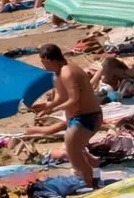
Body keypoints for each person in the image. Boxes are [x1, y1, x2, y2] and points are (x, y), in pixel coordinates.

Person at [35, 44, 104, 188]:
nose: (42, 64)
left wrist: (53, 110)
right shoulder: (58, 73)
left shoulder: (68, 72)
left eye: (43, 61)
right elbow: (60, 97)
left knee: (73, 152)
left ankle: (90, 183)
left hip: (87, 117)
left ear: (49, 59)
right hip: (77, 118)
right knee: (75, 149)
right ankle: (95, 172)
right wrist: (48, 106)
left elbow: (74, 98)